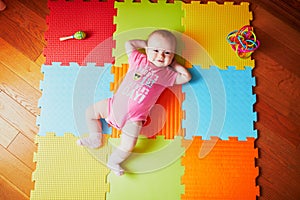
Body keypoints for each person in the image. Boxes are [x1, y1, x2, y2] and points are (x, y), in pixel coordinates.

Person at [77, 29, 192, 176]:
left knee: (128, 145)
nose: (161, 56)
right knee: (89, 112)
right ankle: (95, 138)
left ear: (173, 55)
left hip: (134, 119)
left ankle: (114, 161)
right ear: (148, 49)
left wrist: (174, 64)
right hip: (112, 106)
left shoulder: (167, 74)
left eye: (167, 53)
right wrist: (146, 45)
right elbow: (129, 43)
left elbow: (186, 76)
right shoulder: (139, 60)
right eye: (156, 50)